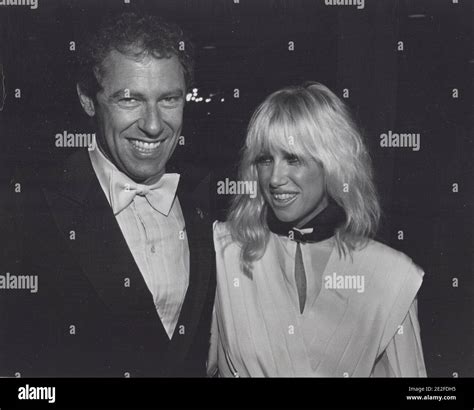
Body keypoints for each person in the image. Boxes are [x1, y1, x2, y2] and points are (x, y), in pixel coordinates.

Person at [0, 12, 215, 377]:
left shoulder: (206, 201)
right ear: (88, 100)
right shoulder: (25, 207)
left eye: (169, 99)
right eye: (129, 100)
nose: (152, 124)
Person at [208, 82, 426, 377]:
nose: (274, 178)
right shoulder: (227, 252)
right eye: (265, 159)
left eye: (293, 158)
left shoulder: (390, 276)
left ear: (333, 163)